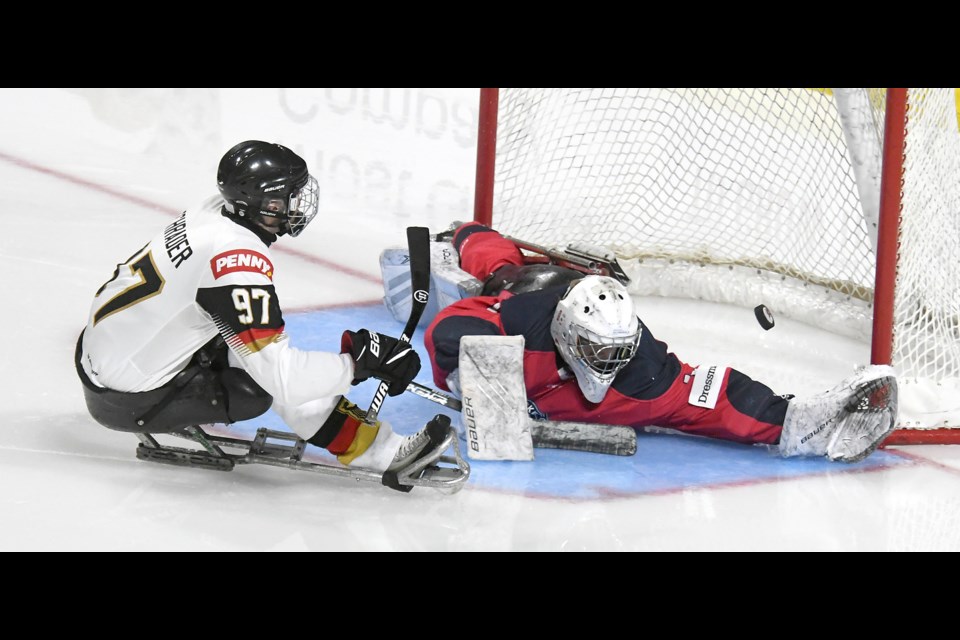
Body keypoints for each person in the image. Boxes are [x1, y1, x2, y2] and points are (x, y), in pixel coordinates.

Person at [76, 140, 440, 475]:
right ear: (266, 205)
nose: (298, 204)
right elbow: (285, 378)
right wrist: (359, 364)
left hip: (104, 356)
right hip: (130, 398)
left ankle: (370, 444)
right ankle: (382, 453)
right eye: (290, 197)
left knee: (255, 346)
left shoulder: (213, 211)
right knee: (258, 381)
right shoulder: (236, 261)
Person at [424, 222, 899, 462]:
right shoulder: (520, 324)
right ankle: (467, 230)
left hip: (585, 302)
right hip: (541, 291)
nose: (608, 364)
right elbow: (448, 327)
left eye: (616, 352)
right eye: (596, 352)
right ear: (569, 339)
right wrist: (470, 369)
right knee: (506, 274)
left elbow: (712, 397)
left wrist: (793, 423)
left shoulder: (641, 371)